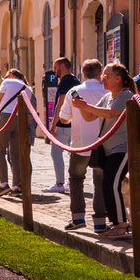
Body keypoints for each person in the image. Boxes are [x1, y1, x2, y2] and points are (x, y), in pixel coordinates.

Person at [72, 63, 136, 239]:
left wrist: (86, 106)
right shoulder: (108, 96)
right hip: (108, 149)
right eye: (103, 75)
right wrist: (81, 107)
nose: (103, 79)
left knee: (112, 184)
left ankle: (122, 225)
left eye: (107, 76)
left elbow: (110, 113)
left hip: (123, 149)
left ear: (118, 79)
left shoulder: (126, 95)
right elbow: (91, 116)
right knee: (108, 185)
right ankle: (117, 224)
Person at [59, 59, 108, 233]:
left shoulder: (74, 91)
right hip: (102, 143)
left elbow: (64, 118)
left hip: (80, 143)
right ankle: (100, 221)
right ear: (100, 73)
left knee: (76, 179)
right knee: (100, 182)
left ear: (83, 73)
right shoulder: (107, 91)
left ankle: (78, 218)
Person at [0, 69, 34, 197]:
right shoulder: (28, 88)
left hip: (6, 117)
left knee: (0, 150)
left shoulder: (7, 83)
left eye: (6, 75)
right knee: (16, 154)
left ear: (11, 75)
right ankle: (15, 187)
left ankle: (3, 184)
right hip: (21, 119)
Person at [46, 57, 81, 193]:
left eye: (56, 67)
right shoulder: (76, 80)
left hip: (63, 124)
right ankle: (70, 182)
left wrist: (53, 125)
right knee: (71, 154)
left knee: (56, 152)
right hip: (74, 123)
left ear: (62, 67)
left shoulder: (65, 82)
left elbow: (59, 104)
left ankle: (59, 184)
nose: (54, 71)